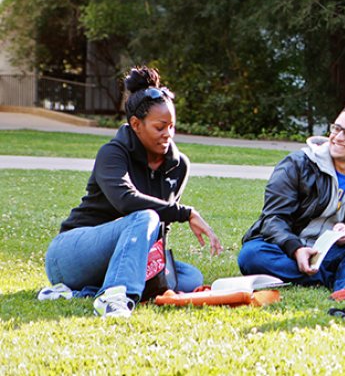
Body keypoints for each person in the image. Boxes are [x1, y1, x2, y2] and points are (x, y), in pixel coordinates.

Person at [41, 66, 223, 318]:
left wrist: (161, 272)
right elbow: (126, 201)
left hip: (124, 254)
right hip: (71, 253)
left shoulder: (179, 165)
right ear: (136, 124)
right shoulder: (112, 153)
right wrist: (186, 212)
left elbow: (161, 229)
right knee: (146, 216)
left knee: (191, 277)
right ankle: (114, 297)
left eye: (172, 126)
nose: (167, 134)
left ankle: (80, 292)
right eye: (160, 127)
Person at [238, 104, 345, 301]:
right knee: (251, 255)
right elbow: (273, 218)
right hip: (285, 247)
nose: (338, 137)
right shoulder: (296, 164)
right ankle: (340, 278)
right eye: (336, 128)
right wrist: (296, 249)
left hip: (330, 252)